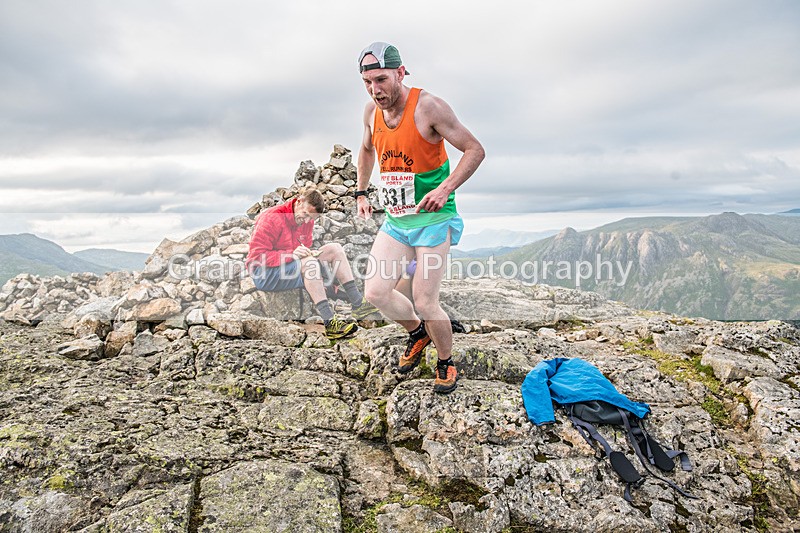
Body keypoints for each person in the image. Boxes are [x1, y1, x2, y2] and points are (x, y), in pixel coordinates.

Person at [355, 42, 485, 393]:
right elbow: (366, 150)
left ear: (400, 73)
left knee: (426, 300)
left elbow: (474, 150)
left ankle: (445, 361)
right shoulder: (371, 112)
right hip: (397, 222)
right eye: (367, 82)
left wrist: (445, 188)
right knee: (376, 292)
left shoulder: (429, 107)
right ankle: (417, 333)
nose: (375, 90)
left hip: (433, 220)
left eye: (381, 80)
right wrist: (361, 192)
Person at [246, 188, 376, 339]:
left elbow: (304, 248)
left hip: (289, 266)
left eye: (311, 218)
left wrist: (311, 261)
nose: (307, 221)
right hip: (264, 274)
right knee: (309, 263)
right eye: (306, 215)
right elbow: (256, 258)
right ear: (299, 202)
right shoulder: (271, 218)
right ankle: (330, 324)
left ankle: (358, 303)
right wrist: (291, 255)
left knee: (335, 249)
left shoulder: (307, 220)